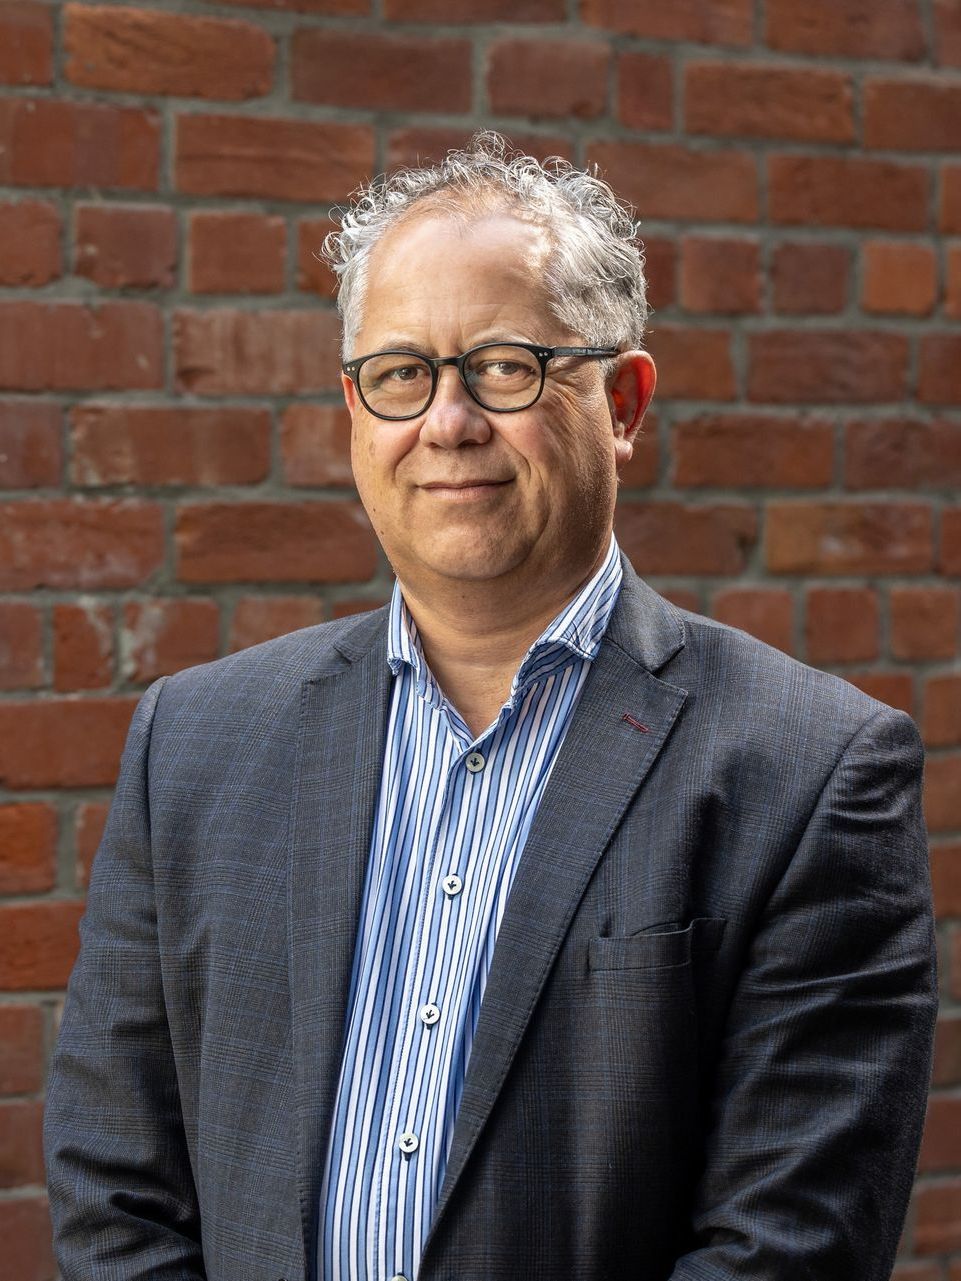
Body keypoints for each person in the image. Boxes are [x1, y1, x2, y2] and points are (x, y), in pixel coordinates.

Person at [44, 133, 937, 1281]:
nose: (448, 422)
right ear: (355, 413)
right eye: (402, 373)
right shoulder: (195, 745)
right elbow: (115, 1188)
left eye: (506, 367)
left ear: (621, 402)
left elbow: (786, 1247)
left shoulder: (810, 774)